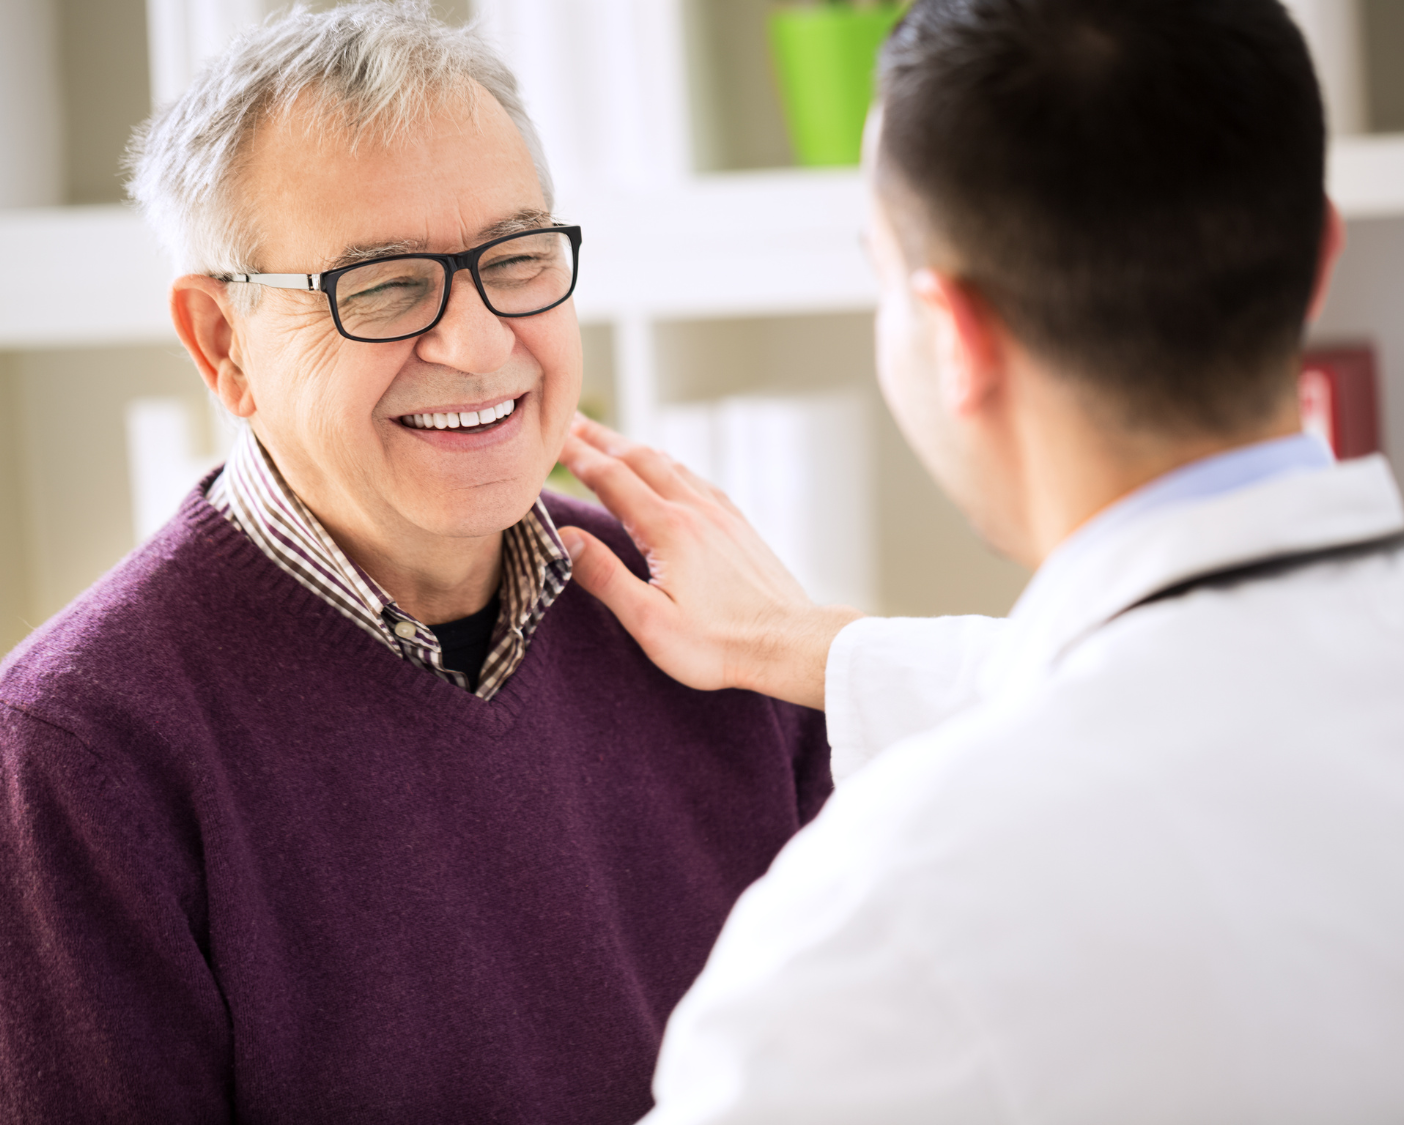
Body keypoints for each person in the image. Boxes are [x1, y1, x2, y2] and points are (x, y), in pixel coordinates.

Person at [555, 0, 1404, 1120]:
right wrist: (820, 647)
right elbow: (1223, 690)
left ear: (952, 333)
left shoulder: (881, 932)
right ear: (1321, 257)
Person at [0, 5, 830, 1121]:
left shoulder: (715, 618)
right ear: (222, 343)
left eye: (519, 257)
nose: (480, 343)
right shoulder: (77, 752)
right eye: (386, 286)